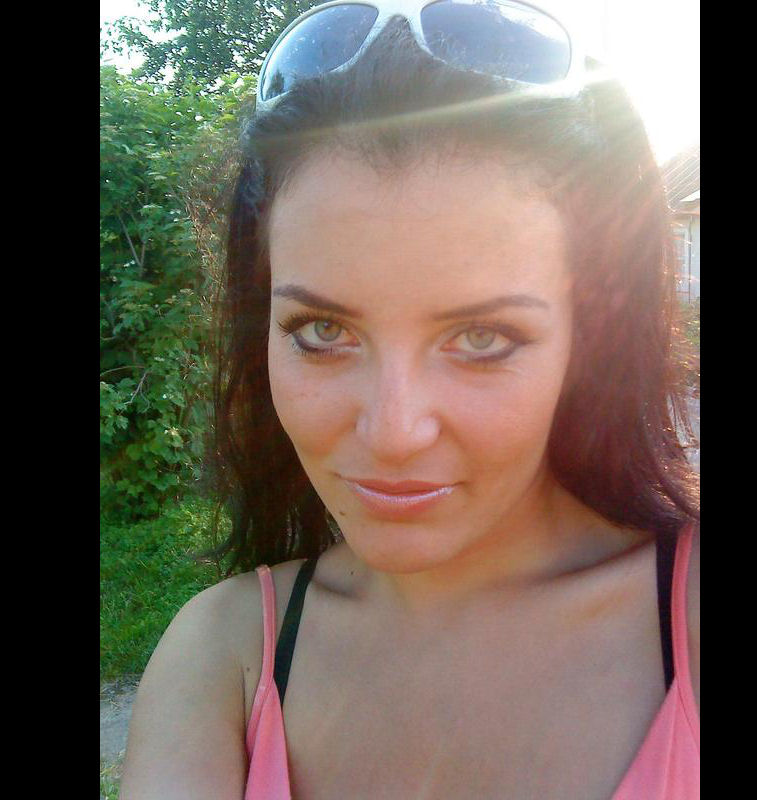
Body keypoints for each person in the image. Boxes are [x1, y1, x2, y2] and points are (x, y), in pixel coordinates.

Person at [120, 1, 699, 798]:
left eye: (483, 337)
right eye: (323, 330)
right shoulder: (224, 657)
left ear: (588, 341)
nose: (393, 432)